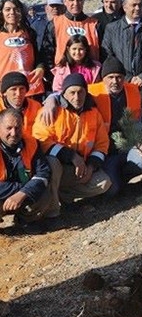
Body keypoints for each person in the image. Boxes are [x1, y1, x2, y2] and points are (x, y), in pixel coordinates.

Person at [32, 74, 111, 216]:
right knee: (52, 163)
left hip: (79, 169)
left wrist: (91, 167)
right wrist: (71, 156)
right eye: (72, 92)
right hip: (59, 166)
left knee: (104, 183)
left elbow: (102, 144)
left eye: (81, 92)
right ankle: (52, 212)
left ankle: (65, 197)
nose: (77, 97)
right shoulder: (52, 111)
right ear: (64, 94)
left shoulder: (94, 113)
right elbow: (41, 140)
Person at [0, 108, 51, 223]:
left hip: (22, 195)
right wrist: (21, 188)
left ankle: (25, 221)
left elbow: (43, 173)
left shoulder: (31, 143)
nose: (13, 133)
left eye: (17, 128)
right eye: (9, 128)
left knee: (45, 194)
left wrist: (23, 193)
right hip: (3, 195)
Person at [41, 0, 100, 72]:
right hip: (63, 75)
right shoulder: (55, 23)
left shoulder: (95, 24)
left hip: (90, 75)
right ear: (65, 2)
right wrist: (51, 74)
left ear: (83, 1)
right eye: (71, 0)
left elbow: (103, 52)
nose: (75, 3)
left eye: (79, 0)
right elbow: (47, 52)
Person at [0, 0, 46, 98]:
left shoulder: (29, 33)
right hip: (6, 88)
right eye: (7, 9)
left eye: (16, 9)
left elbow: (39, 55)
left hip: (30, 86)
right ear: (1, 13)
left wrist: (40, 68)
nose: (12, 12)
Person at [0, 72, 42, 138]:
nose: (18, 94)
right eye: (13, 89)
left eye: (22, 89)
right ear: (5, 92)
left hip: (30, 144)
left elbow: (40, 132)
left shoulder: (36, 106)